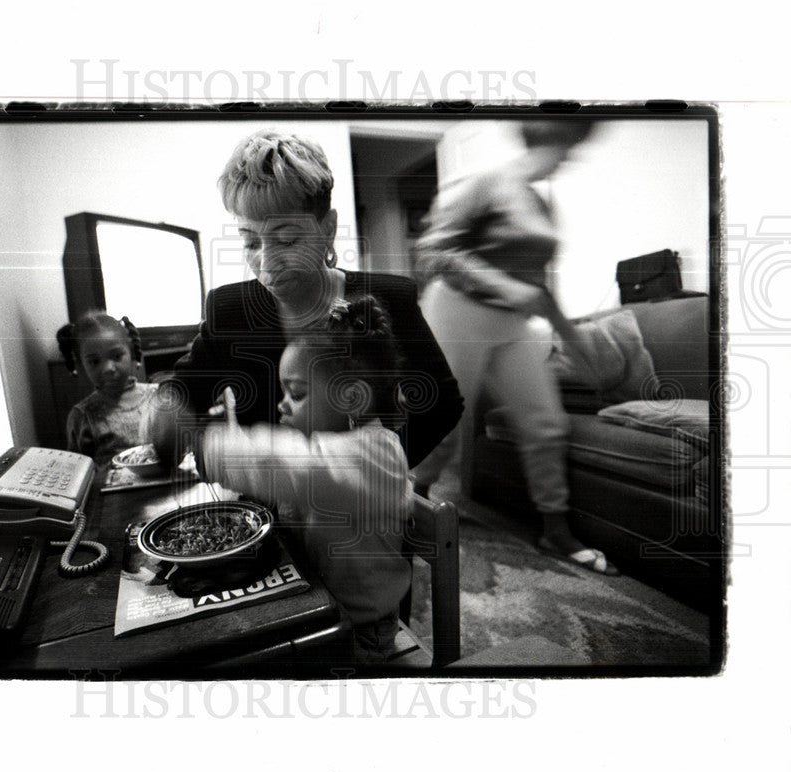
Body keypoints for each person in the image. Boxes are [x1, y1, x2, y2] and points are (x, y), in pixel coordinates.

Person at [167, 130, 462, 471]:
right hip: (267, 516)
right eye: (250, 243)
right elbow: (183, 395)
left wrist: (379, 470)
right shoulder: (229, 311)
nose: (266, 263)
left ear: (328, 228)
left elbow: (442, 405)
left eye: (287, 239)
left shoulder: (388, 300)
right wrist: (170, 414)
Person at [157, 296, 412, 665]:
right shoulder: (330, 445)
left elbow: (297, 468)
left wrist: (206, 443)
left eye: (297, 394)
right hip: (316, 600)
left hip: (359, 629)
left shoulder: (377, 456)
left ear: (353, 397)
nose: (282, 405)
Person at [414, 119, 619, 575]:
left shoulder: (543, 203)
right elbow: (433, 251)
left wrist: (575, 342)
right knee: (445, 423)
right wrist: (505, 286)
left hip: (514, 323)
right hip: (458, 308)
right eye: (569, 143)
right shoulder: (489, 183)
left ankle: (556, 531)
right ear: (549, 138)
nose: (572, 155)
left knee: (546, 423)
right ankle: (413, 510)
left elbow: (541, 285)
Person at [56, 312, 157, 465]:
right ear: (82, 366)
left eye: (116, 356)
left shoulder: (159, 396)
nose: (108, 368)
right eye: (95, 362)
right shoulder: (82, 416)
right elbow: (77, 469)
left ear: (132, 352)